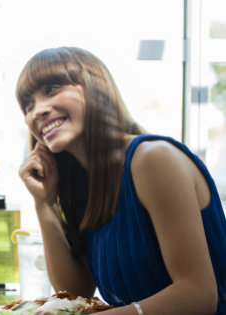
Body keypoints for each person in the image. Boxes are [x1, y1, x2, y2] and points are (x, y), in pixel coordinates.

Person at [16, 47, 225, 314]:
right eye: (27, 105)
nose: (37, 111)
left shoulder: (153, 159)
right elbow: (76, 292)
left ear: (94, 88)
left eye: (52, 89)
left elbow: (198, 294)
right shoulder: (86, 184)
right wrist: (44, 203)